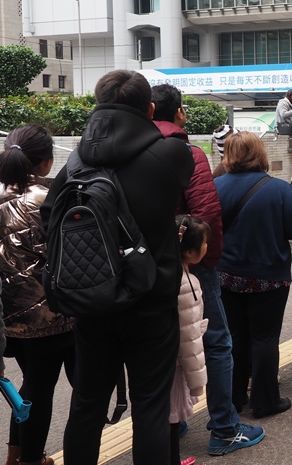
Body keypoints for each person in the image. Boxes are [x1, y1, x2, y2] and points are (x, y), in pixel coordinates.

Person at [41, 70, 194, 465]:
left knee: (87, 404)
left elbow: (49, 214)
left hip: (94, 299)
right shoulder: (172, 155)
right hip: (151, 300)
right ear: (149, 109)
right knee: (150, 408)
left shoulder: (76, 162)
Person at [151, 84, 263, 457]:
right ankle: (224, 427)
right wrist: (206, 261)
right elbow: (206, 214)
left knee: (161, 344)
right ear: (179, 113)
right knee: (214, 342)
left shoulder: (127, 151)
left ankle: (170, 419)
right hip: (188, 264)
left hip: (141, 267)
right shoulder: (188, 153)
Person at [215, 132, 292, 417]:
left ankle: (235, 397)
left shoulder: (215, 186)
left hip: (227, 275)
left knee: (236, 337)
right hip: (270, 275)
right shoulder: (278, 189)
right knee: (265, 338)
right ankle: (265, 401)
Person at [0, 125, 73, 465]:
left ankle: (16, 455)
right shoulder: (48, 197)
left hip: (6, 319)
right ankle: (30, 459)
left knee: (29, 388)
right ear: (44, 162)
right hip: (49, 317)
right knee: (40, 392)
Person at [171, 215, 210, 465]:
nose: (208, 247)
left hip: (164, 359)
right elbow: (190, 341)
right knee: (170, 415)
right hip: (176, 365)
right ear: (188, 251)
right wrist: (197, 385)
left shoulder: (169, 273)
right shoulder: (186, 284)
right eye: (205, 242)